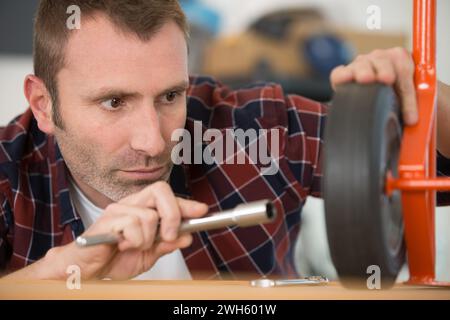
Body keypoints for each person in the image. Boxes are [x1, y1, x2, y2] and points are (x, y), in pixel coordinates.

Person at [0, 0, 449, 281]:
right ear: (43, 104)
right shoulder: (7, 172)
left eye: (171, 95)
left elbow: (437, 169)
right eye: (114, 102)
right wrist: (60, 274)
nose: (153, 141)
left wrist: (424, 97)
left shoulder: (250, 127)